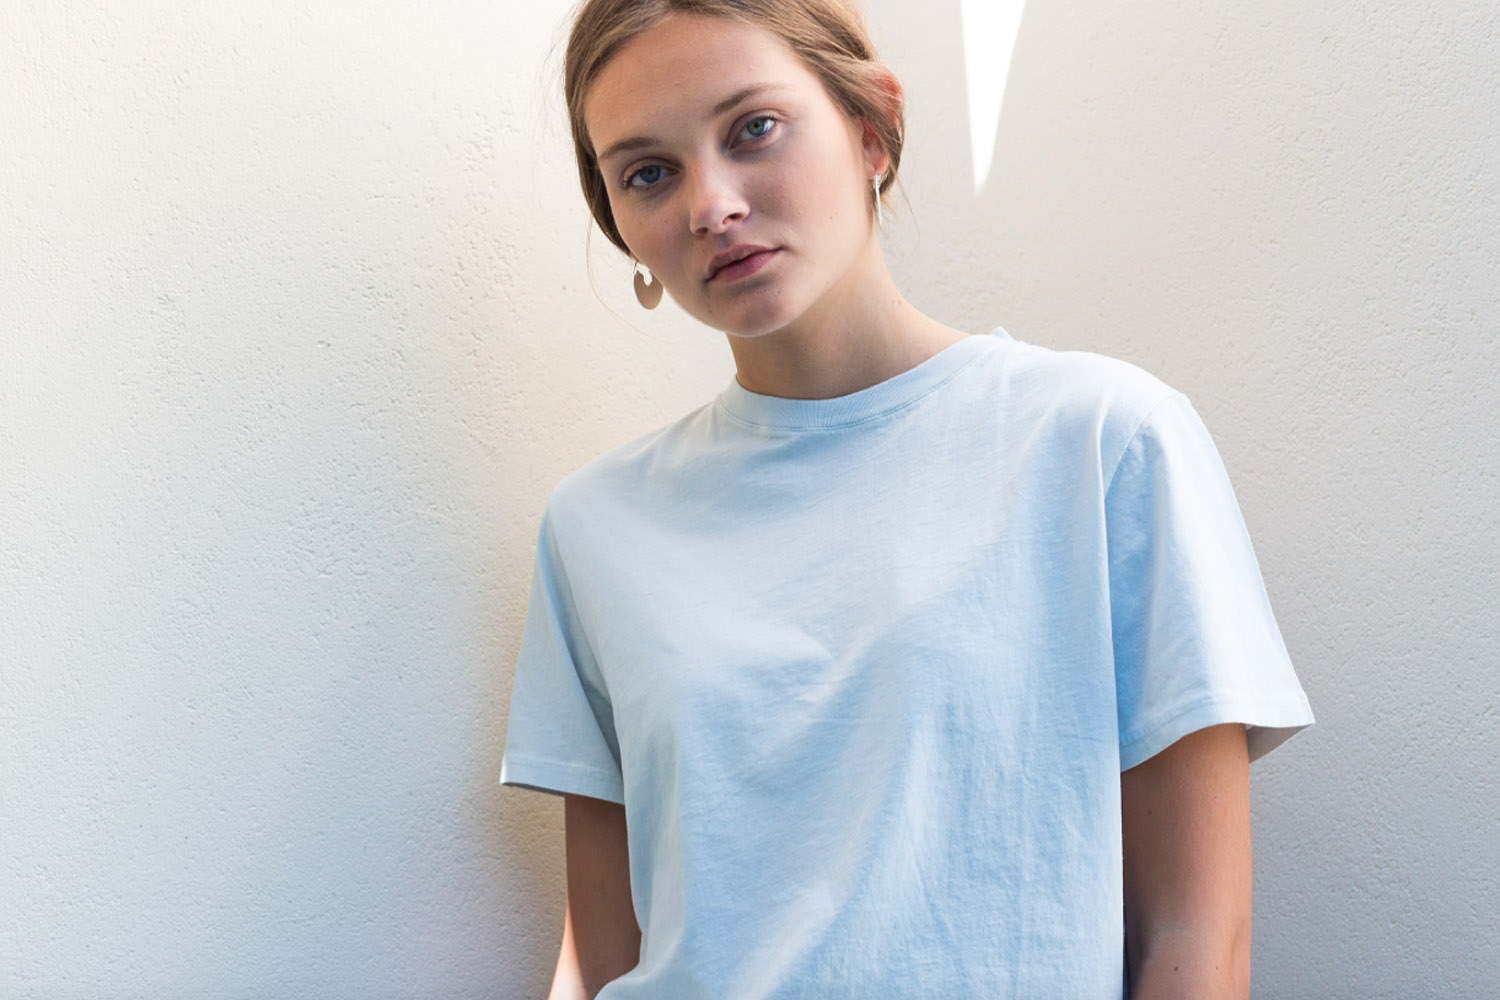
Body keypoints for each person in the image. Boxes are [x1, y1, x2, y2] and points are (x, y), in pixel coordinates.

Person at [499, 0, 1314, 996]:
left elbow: (1196, 936)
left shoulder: (1103, 441)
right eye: (648, 173)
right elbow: (598, 956)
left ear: (872, 128)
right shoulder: (594, 528)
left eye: (753, 128)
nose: (710, 203)